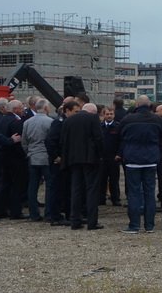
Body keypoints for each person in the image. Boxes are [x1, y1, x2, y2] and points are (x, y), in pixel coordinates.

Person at [118, 95, 162, 233]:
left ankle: (134, 225)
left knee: (134, 193)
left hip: (133, 160)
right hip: (150, 159)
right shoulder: (157, 119)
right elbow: (160, 136)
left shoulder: (127, 119)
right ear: (149, 105)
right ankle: (149, 225)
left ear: (136, 105)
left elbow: (121, 136)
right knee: (150, 193)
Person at [62, 102, 104, 230]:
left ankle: (75, 220)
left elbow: (63, 141)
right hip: (90, 159)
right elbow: (99, 138)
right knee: (91, 190)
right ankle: (92, 222)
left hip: (74, 160)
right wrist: (100, 154)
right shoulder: (93, 119)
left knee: (76, 190)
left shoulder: (69, 120)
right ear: (93, 111)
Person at [45, 98, 76, 226]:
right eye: (75, 111)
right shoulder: (58, 123)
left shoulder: (70, 122)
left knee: (66, 189)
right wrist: (56, 157)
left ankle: (69, 215)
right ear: (67, 111)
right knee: (56, 189)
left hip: (68, 161)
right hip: (58, 162)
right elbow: (50, 141)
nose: (77, 114)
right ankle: (55, 216)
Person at [0, 99, 28, 219]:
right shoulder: (15, 122)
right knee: (16, 185)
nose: (23, 109)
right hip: (15, 158)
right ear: (15, 109)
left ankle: (0, 209)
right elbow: (19, 142)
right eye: (21, 107)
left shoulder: (2, 120)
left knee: (4, 183)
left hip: (4, 156)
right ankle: (15, 211)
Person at [22, 99, 54, 222]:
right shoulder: (50, 122)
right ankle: (49, 213)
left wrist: (29, 152)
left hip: (32, 156)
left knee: (32, 186)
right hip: (46, 157)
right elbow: (52, 141)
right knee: (50, 186)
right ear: (46, 108)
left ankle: (33, 214)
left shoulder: (27, 122)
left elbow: (24, 142)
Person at [99, 105, 122, 206]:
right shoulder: (100, 126)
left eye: (111, 114)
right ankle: (101, 198)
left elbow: (122, 142)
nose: (109, 116)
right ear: (104, 115)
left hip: (114, 157)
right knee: (101, 179)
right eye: (107, 114)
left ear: (114, 115)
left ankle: (115, 198)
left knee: (114, 180)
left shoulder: (118, 127)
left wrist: (119, 154)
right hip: (102, 158)